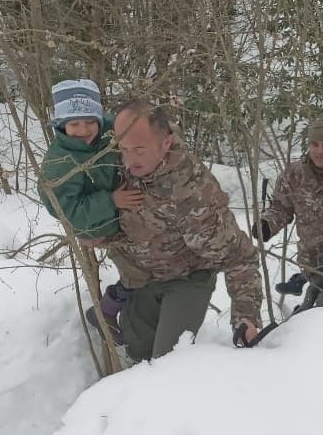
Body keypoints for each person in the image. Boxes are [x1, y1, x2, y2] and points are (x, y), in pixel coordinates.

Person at [101, 99, 263, 363]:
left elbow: (240, 257)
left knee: (167, 363)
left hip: (187, 279)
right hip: (141, 278)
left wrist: (246, 317)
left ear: (165, 143)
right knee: (137, 357)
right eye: (124, 149)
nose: (129, 159)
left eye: (139, 150)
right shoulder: (118, 162)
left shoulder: (193, 193)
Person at [252, 117, 323, 297]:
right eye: (315, 144)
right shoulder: (294, 174)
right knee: (312, 304)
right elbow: (281, 207)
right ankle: (301, 281)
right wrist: (267, 224)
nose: (319, 151)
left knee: (322, 310)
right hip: (308, 258)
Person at [38, 79, 143, 242]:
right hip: (101, 229)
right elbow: (66, 211)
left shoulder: (111, 129)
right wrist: (111, 201)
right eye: (74, 124)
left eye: (90, 121)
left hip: (129, 213)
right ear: (62, 125)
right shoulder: (58, 162)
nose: (83, 130)